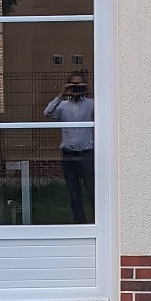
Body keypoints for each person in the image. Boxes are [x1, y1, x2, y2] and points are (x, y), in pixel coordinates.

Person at [43, 72, 95, 224]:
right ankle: (80, 224)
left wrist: (89, 90)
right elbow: (47, 113)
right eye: (74, 84)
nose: (76, 88)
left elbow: (105, 114)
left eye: (79, 84)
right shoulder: (63, 106)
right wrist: (61, 95)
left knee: (93, 190)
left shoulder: (91, 104)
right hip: (69, 155)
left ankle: (98, 223)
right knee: (74, 192)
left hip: (87, 154)